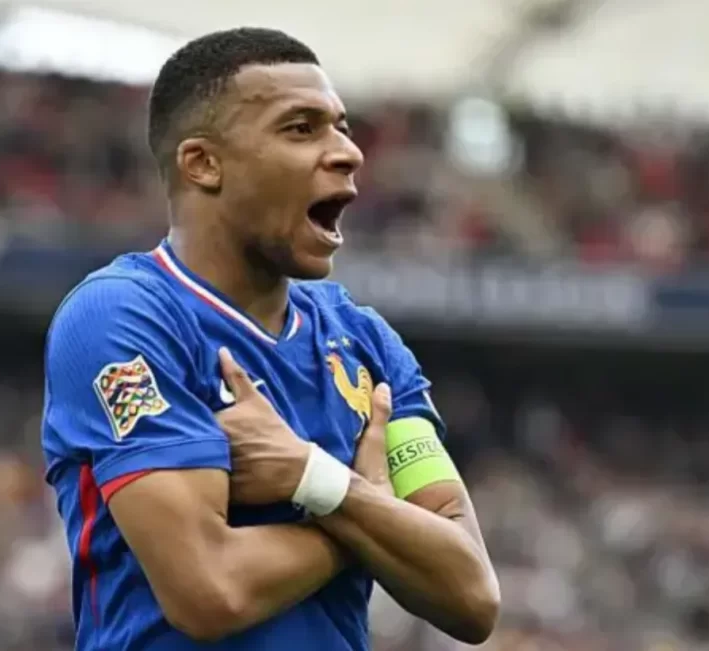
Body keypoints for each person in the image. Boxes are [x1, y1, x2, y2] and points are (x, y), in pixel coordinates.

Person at [41, 27, 500, 651]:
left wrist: (315, 480)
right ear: (203, 163)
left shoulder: (366, 342)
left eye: (342, 128)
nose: (348, 153)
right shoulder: (122, 316)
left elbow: (471, 594)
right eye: (301, 128)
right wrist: (368, 507)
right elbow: (210, 592)